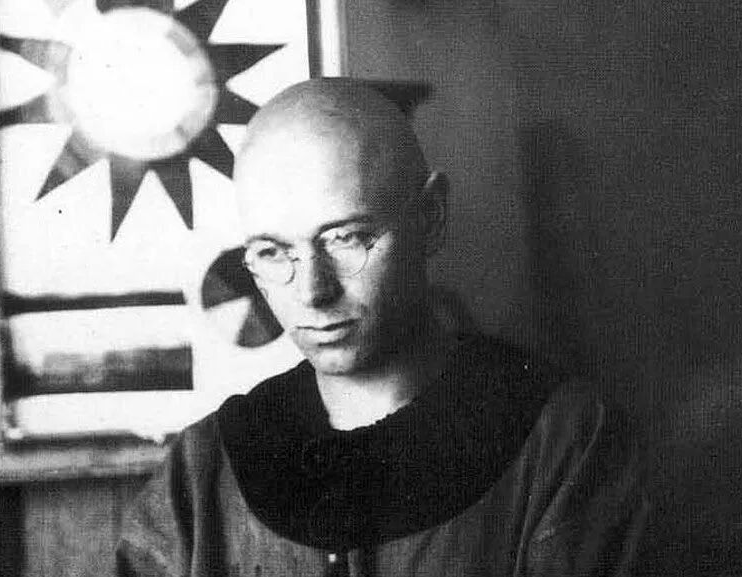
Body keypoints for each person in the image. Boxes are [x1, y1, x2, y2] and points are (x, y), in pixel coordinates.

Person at [117, 78, 650, 576]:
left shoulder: (563, 442)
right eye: (274, 252)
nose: (313, 291)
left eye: (346, 238)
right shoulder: (203, 468)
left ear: (431, 217)